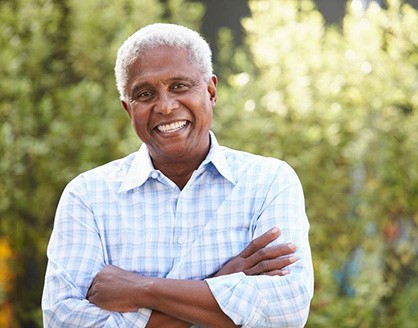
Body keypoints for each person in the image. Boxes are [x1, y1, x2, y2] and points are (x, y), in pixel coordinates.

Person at [42, 23, 314, 327]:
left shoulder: (268, 182)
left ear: (210, 91)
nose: (166, 106)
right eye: (145, 94)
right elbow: (63, 321)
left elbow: (286, 310)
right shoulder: (88, 196)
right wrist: (222, 285)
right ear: (128, 109)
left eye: (179, 86)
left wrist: (141, 289)